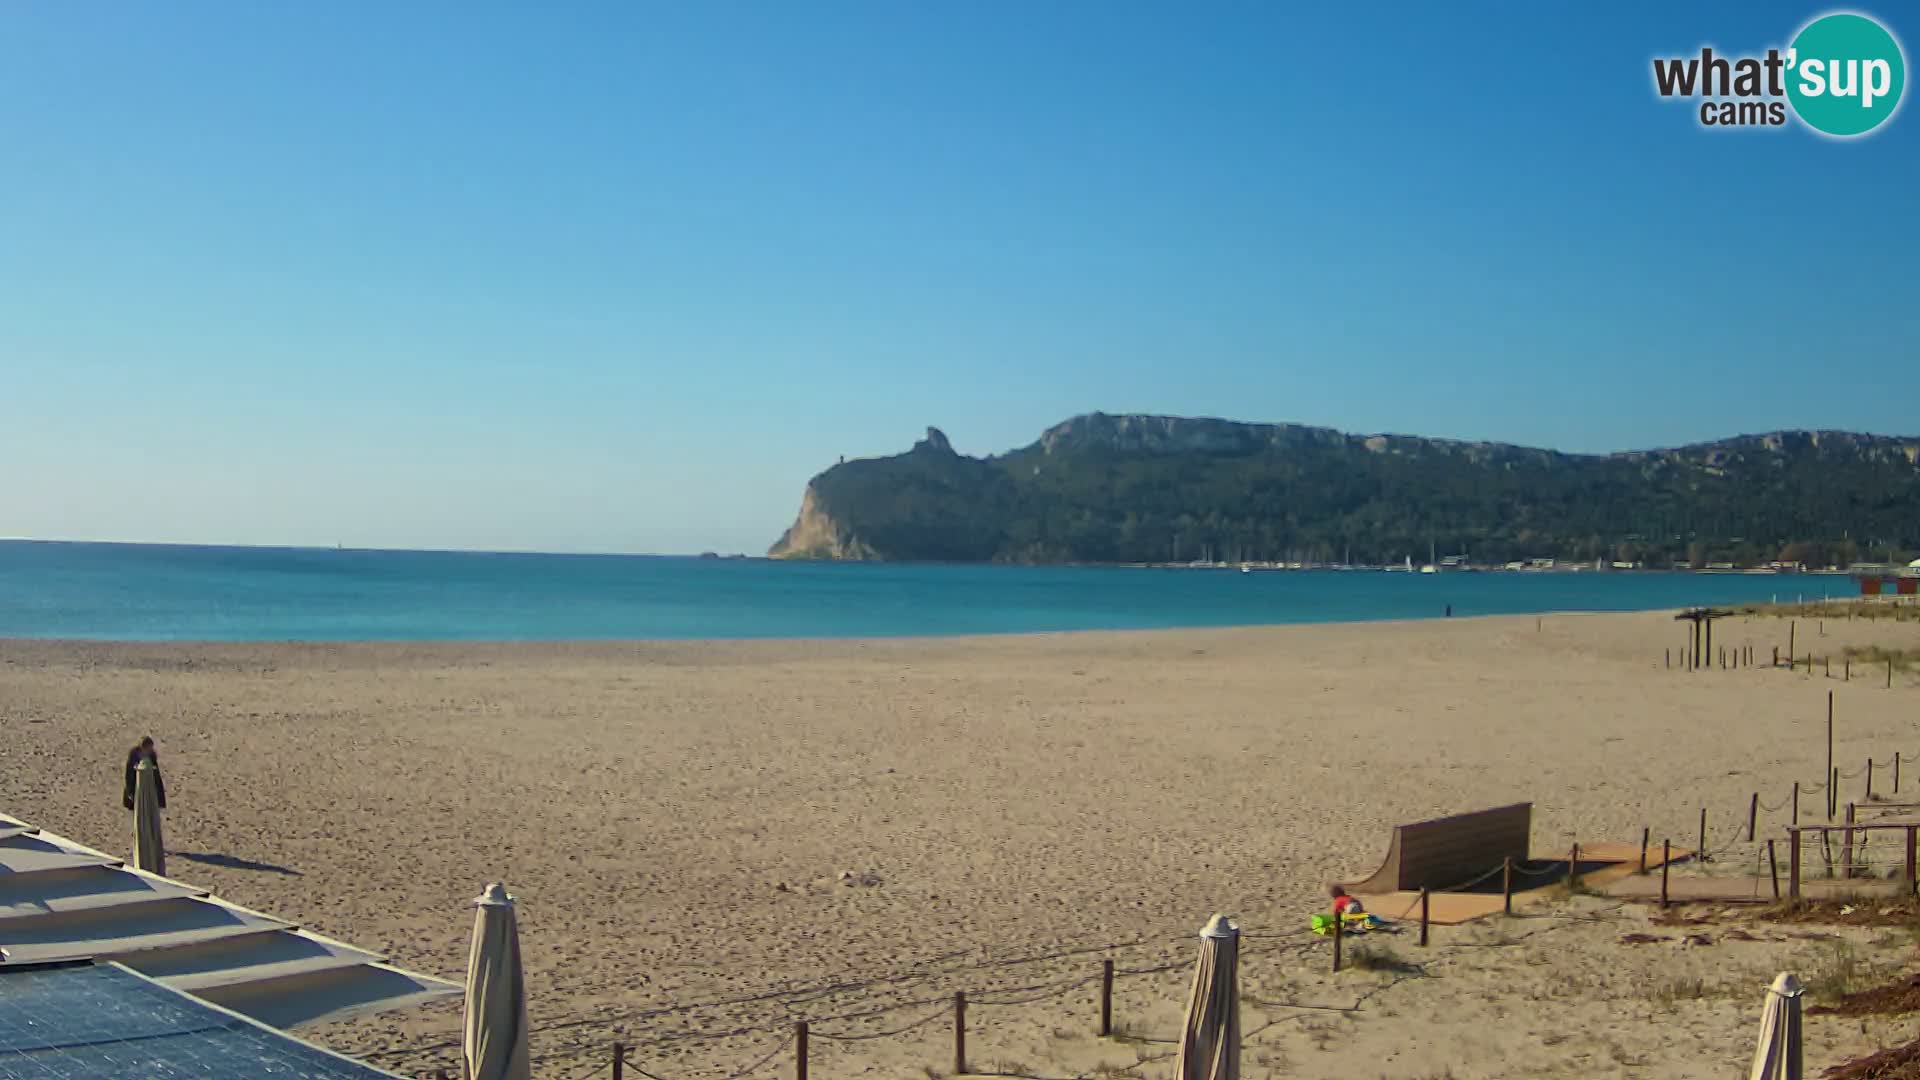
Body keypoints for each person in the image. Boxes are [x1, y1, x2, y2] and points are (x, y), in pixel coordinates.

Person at [122, 736, 166, 811]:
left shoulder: (152, 755)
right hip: (136, 786)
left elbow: (157, 777)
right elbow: (129, 775)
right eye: (148, 748)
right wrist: (129, 792)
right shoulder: (134, 755)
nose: (150, 750)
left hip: (148, 787)